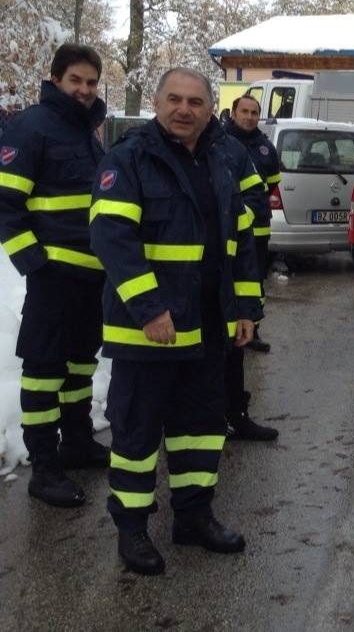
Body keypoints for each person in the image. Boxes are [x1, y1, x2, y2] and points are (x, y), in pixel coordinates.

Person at [89, 67, 263, 576]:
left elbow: (240, 245)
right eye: (174, 99)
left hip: (207, 326)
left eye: (195, 101)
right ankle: (132, 529)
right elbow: (111, 238)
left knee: (201, 429)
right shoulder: (129, 159)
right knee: (137, 434)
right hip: (149, 330)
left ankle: (193, 517)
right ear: (157, 103)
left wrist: (247, 309)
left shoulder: (222, 161)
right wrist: (151, 308)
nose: (184, 109)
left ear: (211, 109)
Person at [0, 44, 109, 508]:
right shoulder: (30, 128)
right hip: (53, 275)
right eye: (76, 81)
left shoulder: (87, 132)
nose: (84, 90)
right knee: (44, 369)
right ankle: (45, 467)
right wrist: (35, 265)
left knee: (81, 363)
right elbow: (6, 205)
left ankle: (77, 441)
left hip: (90, 276)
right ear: (57, 79)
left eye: (91, 83)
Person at [222, 94, 280, 440]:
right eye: (243, 111)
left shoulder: (261, 149)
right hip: (208, 257)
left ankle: (234, 413)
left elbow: (268, 187)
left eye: (254, 112)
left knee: (253, 284)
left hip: (252, 236)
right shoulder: (220, 146)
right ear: (232, 113)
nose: (249, 116)